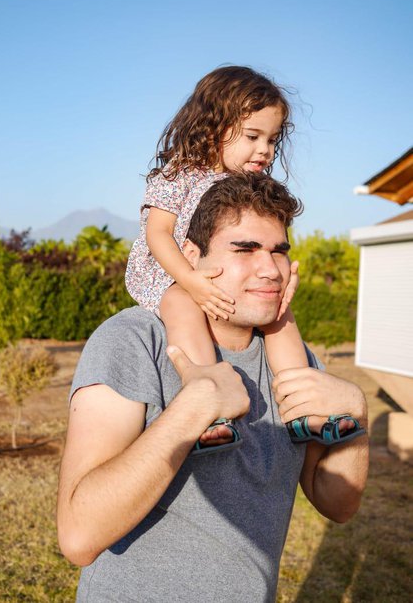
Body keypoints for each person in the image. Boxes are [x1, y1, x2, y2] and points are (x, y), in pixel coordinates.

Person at [57, 171, 369, 602]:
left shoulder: (296, 362)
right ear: (190, 254)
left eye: (279, 251)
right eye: (244, 248)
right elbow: (78, 535)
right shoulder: (132, 340)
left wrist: (356, 416)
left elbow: (337, 504)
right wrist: (193, 408)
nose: (270, 268)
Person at [125, 65, 351, 451]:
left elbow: (266, 242)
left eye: (272, 139)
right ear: (213, 126)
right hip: (174, 273)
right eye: (253, 136)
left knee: (280, 317)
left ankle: (302, 411)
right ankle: (208, 400)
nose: (265, 149)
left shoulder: (251, 186)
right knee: (181, 304)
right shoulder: (180, 174)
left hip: (225, 277)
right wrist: (191, 281)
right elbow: (158, 235)